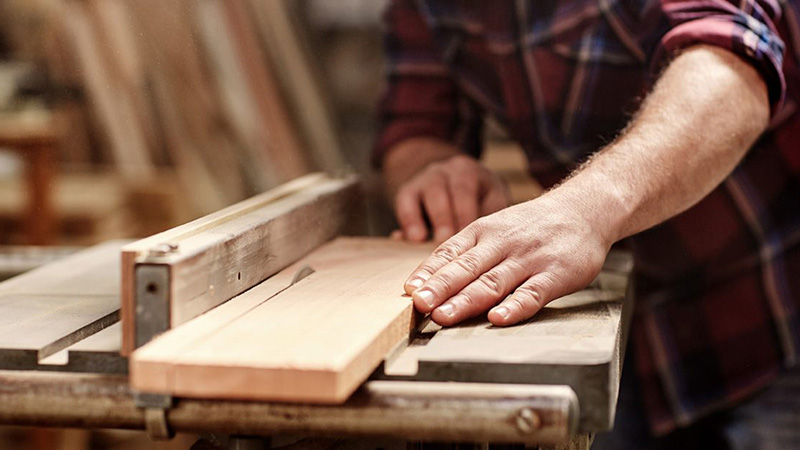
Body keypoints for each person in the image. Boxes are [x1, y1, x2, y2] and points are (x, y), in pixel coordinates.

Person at [373, 0, 800, 448]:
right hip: (623, 321)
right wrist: (433, 169)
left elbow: (732, 69)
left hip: (770, 308)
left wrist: (583, 212)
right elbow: (414, 125)